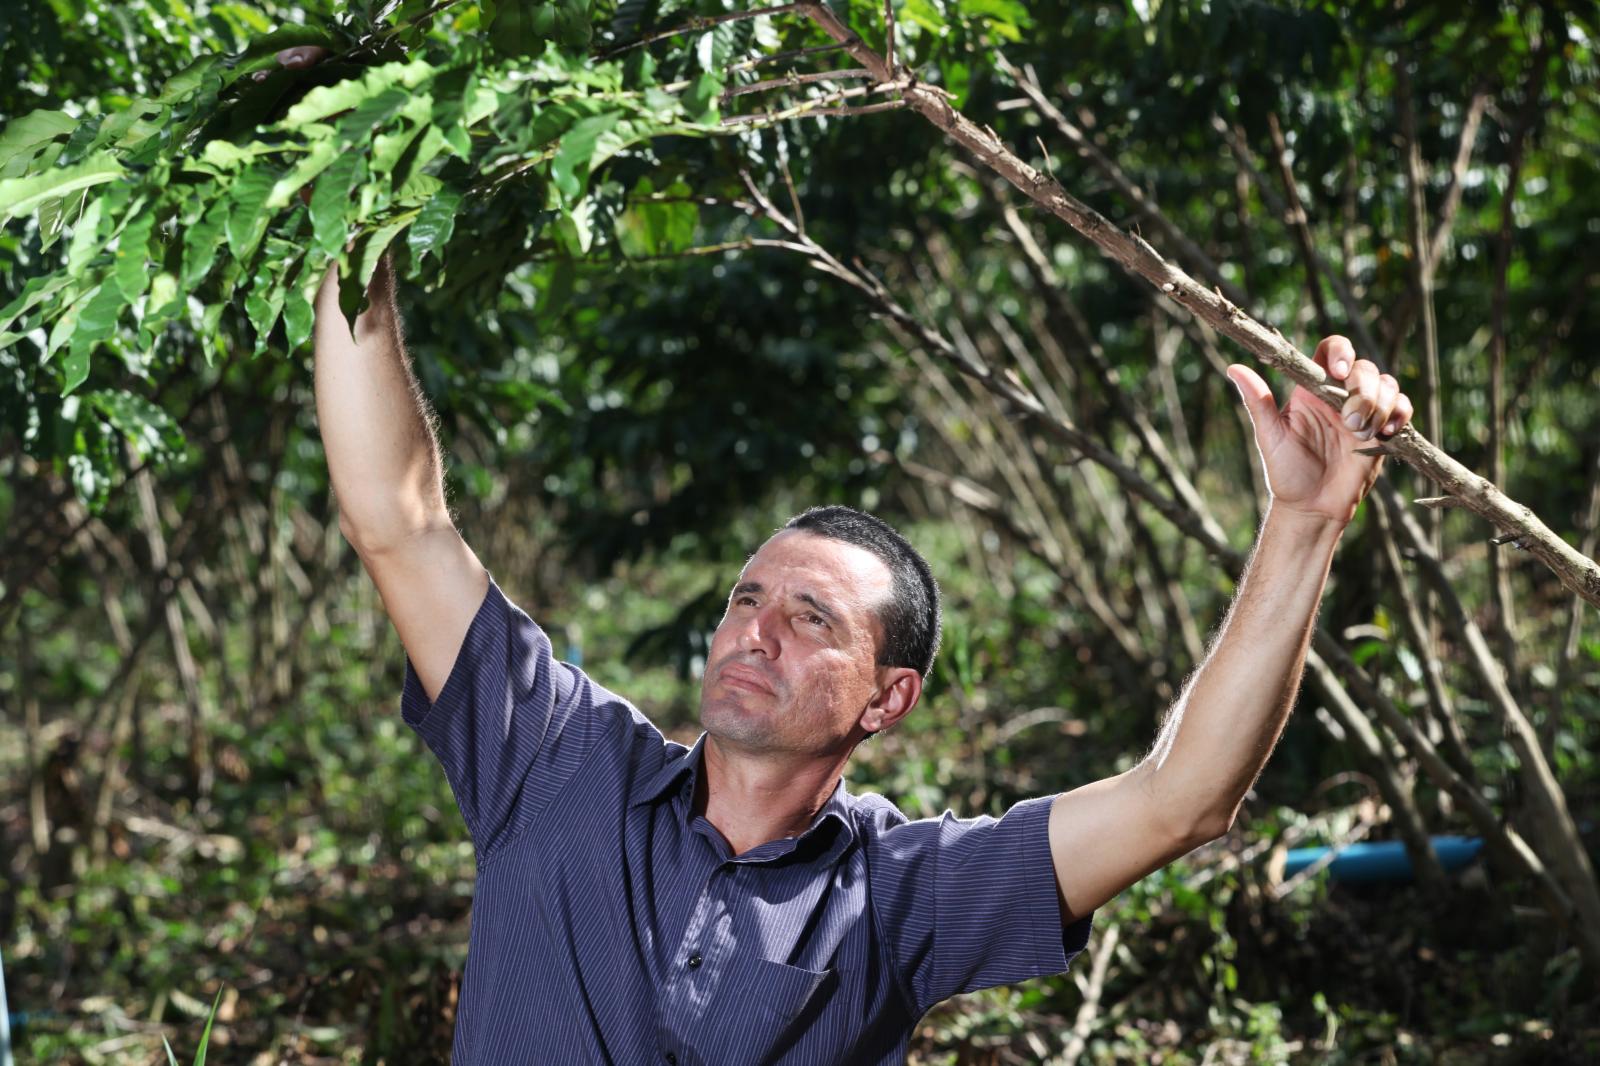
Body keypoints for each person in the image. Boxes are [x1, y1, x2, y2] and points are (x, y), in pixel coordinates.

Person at [294, 48, 1416, 1066]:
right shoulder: (557, 760)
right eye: (748, 597)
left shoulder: (897, 894)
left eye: (812, 618)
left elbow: (1182, 801)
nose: (753, 628)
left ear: (889, 699)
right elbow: (401, 522)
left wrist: (1305, 520)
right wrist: (354, 220)